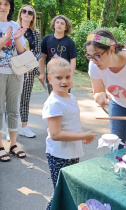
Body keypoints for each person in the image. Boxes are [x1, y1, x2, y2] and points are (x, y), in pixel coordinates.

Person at [42, 56, 97, 209]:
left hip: (73, 152)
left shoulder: (71, 97)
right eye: (58, 77)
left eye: (67, 77)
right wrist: (82, 136)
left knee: (69, 190)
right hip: (59, 155)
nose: (64, 81)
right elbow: (56, 134)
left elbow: (71, 124)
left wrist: (81, 135)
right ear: (49, 79)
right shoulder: (54, 103)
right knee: (61, 192)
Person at [0, 0, 27, 162]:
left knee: (13, 109)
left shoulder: (15, 25)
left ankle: (13, 144)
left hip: (15, 73)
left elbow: (21, 51)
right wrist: (4, 40)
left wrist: (16, 38)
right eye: (0, 3)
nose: (2, 7)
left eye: (6, 4)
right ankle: (0, 146)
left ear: (10, 7)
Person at [16, 4, 41, 138]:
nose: (26, 13)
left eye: (30, 12)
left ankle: (24, 127)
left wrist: (29, 61)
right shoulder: (13, 28)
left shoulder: (35, 33)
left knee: (25, 99)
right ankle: (12, 127)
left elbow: (38, 53)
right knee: (11, 99)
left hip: (29, 70)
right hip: (14, 70)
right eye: (24, 11)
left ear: (32, 17)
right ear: (20, 14)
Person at [39, 15, 77, 94]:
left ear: (66, 27)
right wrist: (42, 73)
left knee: (65, 99)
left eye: (62, 23)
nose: (59, 24)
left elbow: (73, 60)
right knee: (53, 99)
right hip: (52, 74)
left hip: (65, 76)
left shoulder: (69, 42)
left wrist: (71, 76)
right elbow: (42, 57)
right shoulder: (46, 39)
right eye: (57, 22)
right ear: (54, 25)